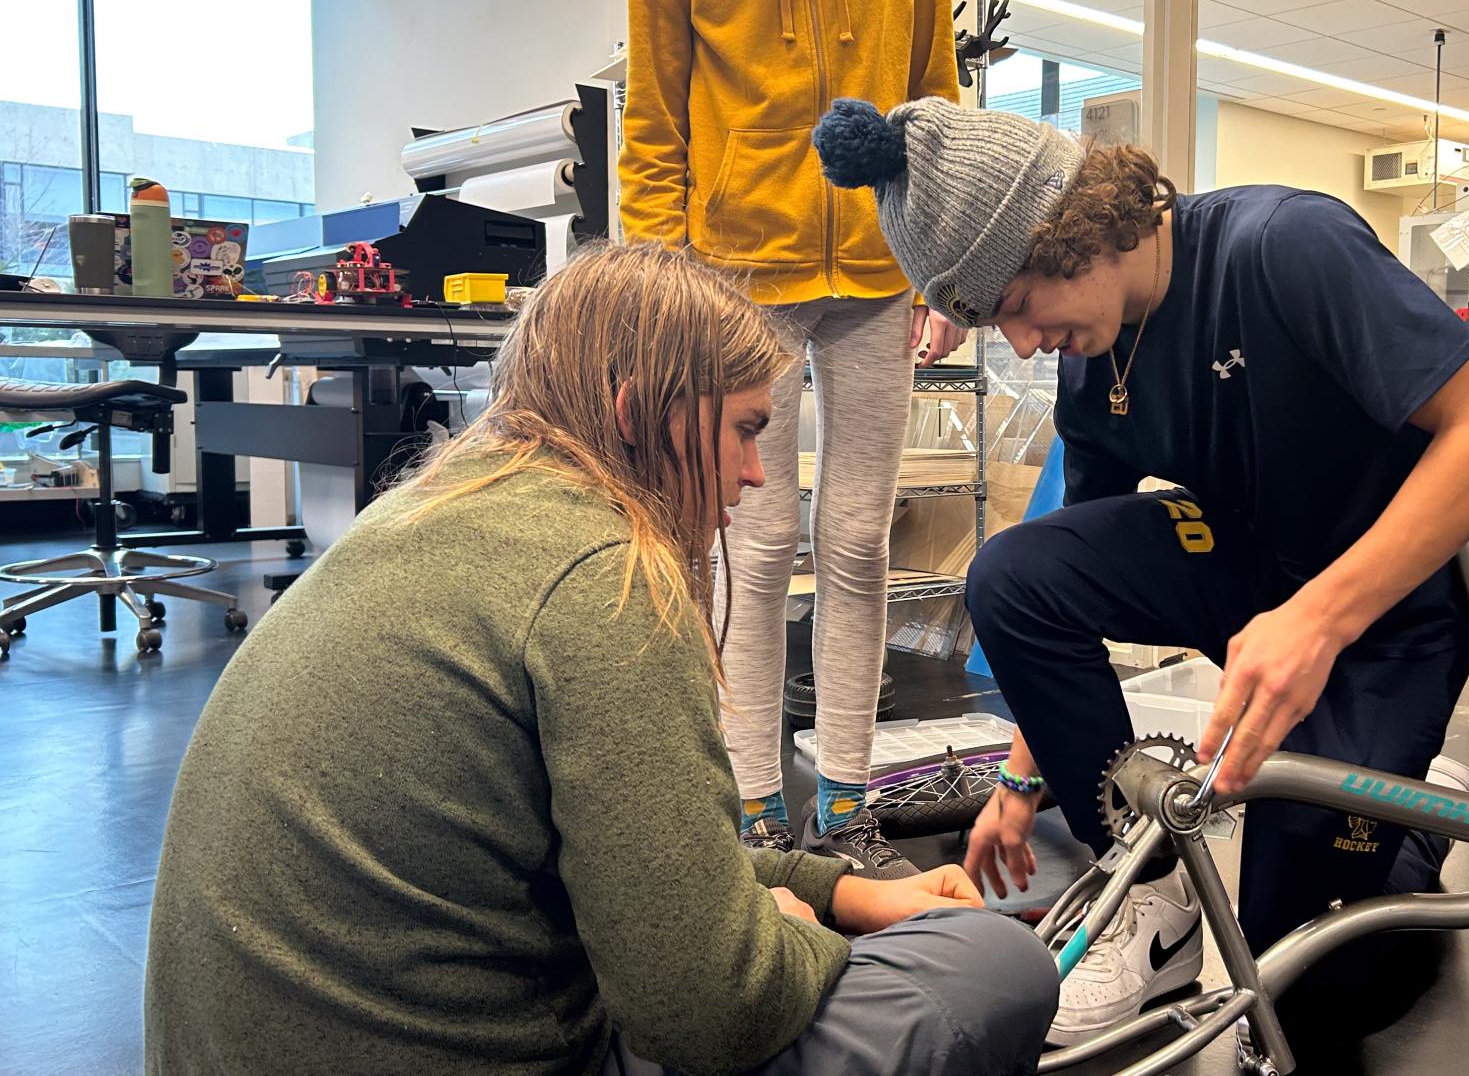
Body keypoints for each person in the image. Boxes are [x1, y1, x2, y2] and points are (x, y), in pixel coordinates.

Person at [141, 245, 1057, 1076]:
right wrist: (801, 933)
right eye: (745, 429)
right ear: (636, 412)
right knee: (995, 965)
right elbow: (711, 1014)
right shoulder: (606, 577)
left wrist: (842, 890)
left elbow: (643, 862)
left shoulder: (428, 510)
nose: (755, 472)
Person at [812, 96, 1469, 1046]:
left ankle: (1417, 813)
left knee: (1296, 982)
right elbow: (1064, 571)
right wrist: (1022, 778)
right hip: (1252, 571)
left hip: (1390, 609)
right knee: (1010, 571)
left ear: (1064, 229)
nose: (1024, 345)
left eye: (1015, 310)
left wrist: (1320, 620)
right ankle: (1150, 896)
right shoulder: (1095, 355)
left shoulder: (1286, 245)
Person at [620, 0, 966, 876]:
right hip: (737, 278)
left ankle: (853, 804)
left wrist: (949, 260)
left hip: (876, 264)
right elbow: (656, 116)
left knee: (860, 538)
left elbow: (935, 90)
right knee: (754, 546)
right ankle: (757, 810)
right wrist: (664, 293)